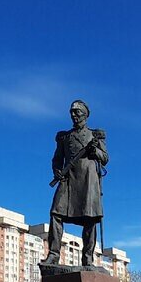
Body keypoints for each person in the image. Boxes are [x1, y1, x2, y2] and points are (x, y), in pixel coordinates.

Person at [42, 99, 109, 266]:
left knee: (90, 219)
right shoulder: (65, 137)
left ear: (85, 115)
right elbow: (57, 159)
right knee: (56, 213)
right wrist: (56, 170)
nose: (73, 115)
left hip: (88, 180)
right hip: (68, 179)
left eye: (76, 112)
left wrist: (94, 151)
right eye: (71, 112)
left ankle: (87, 258)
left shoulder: (95, 135)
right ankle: (53, 254)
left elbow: (105, 158)